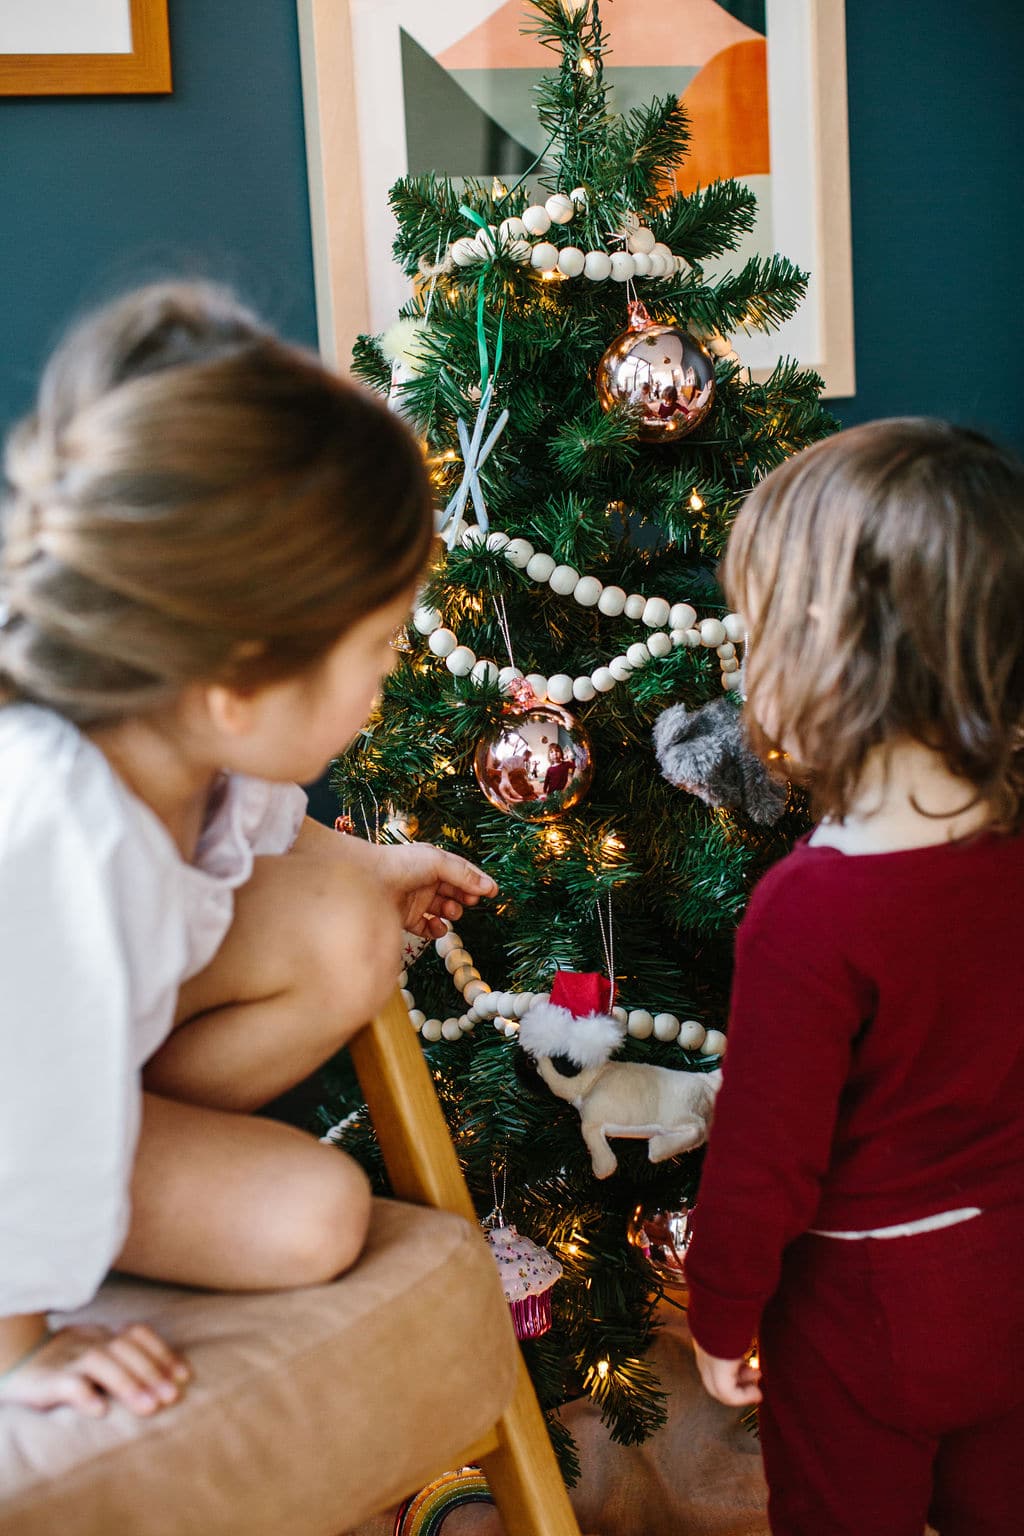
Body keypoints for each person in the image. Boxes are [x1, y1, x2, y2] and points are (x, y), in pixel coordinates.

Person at [0, 283, 497, 1421]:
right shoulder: (59, 825)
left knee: (312, 1211)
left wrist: (371, 869)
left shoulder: (193, 742)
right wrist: (20, 1346)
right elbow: (16, 1094)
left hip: (67, 1088)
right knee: (307, 1215)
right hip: (11, 1109)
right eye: (375, 649)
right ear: (236, 683)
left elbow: (273, 835)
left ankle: (101, 1162)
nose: (385, 681)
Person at [684, 418, 1024, 1536]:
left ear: (822, 651)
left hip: (862, 1310)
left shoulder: (809, 910)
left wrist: (718, 1312)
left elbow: (762, 1160)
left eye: (755, 635)